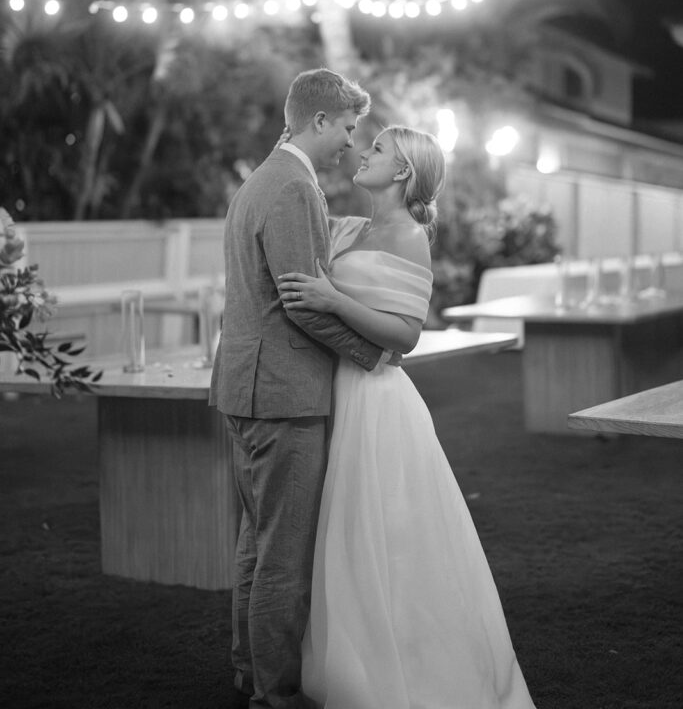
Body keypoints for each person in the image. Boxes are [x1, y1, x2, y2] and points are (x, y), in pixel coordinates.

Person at [278, 125, 537, 709]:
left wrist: (333, 300)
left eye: (377, 150)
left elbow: (406, 335)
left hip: (376, 401)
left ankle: (408, 667)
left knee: (386, 532)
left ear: (401, 172)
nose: (362, 152)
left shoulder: (410, 236)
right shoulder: (353, 227)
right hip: (332, 387)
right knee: (340, 533)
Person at [209, 68, 395, 709]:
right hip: (283, 395)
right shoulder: (293, 188)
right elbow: (303, 303)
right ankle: (276, 695)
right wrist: (373, 355)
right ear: (318, 121)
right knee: (283, 556)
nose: (350, 142)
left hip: (246, 387)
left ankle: (248, 669)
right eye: (347, 127)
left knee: (257, 544)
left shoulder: (262, 180)